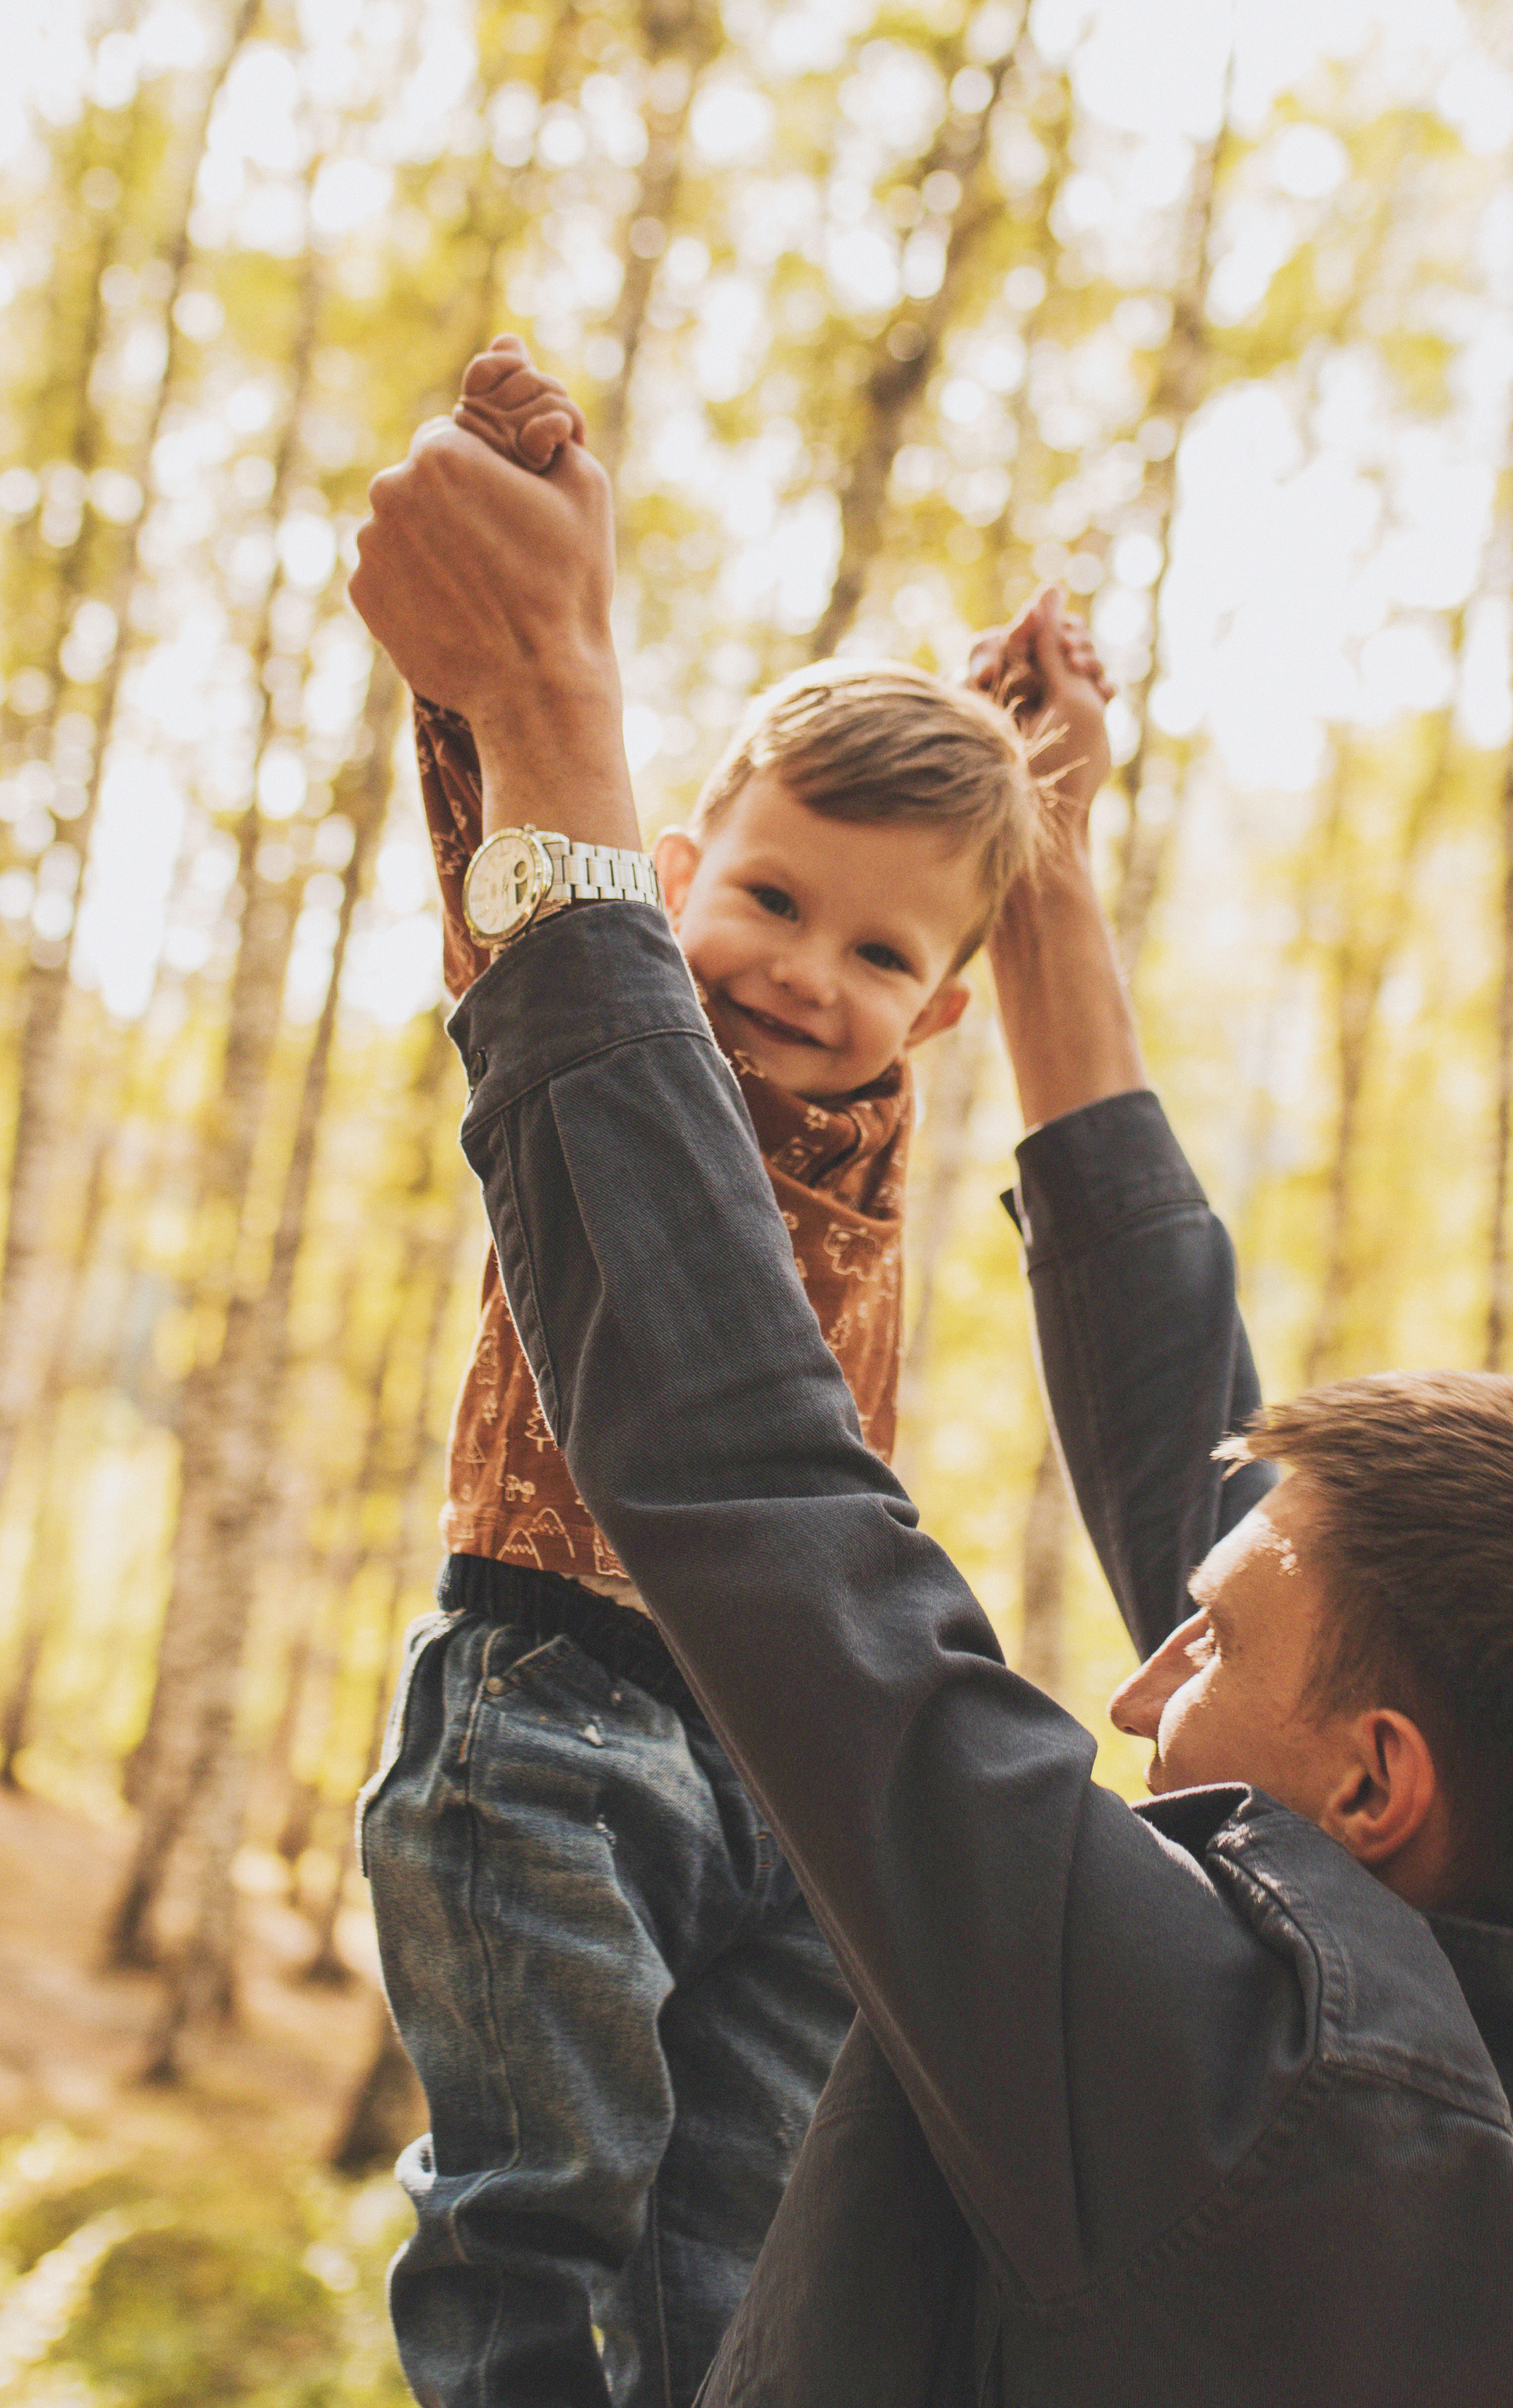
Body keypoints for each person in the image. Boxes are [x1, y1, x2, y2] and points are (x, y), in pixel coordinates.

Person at [348, 394, 1513, 2407]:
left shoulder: (1226, 2089)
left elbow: (768, 1510)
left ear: (1377, 1787)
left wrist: (548, 715)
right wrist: (1044, 894)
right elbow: (1195, 1456)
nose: (1133, 1688)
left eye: (1205, 1646)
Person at [360, 341, 1101, 2407]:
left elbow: (971, 877)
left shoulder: (869, 1122)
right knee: (549, 2191)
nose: (804, 973)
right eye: (769, 900)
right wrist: (498, 623)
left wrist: (1017, 743)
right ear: (673, 874)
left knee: (753, 2222)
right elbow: (509, 844)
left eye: (878, 957)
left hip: (783, 1763)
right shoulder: (607, 1031)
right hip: (549, 1711)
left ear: (941, 1020)